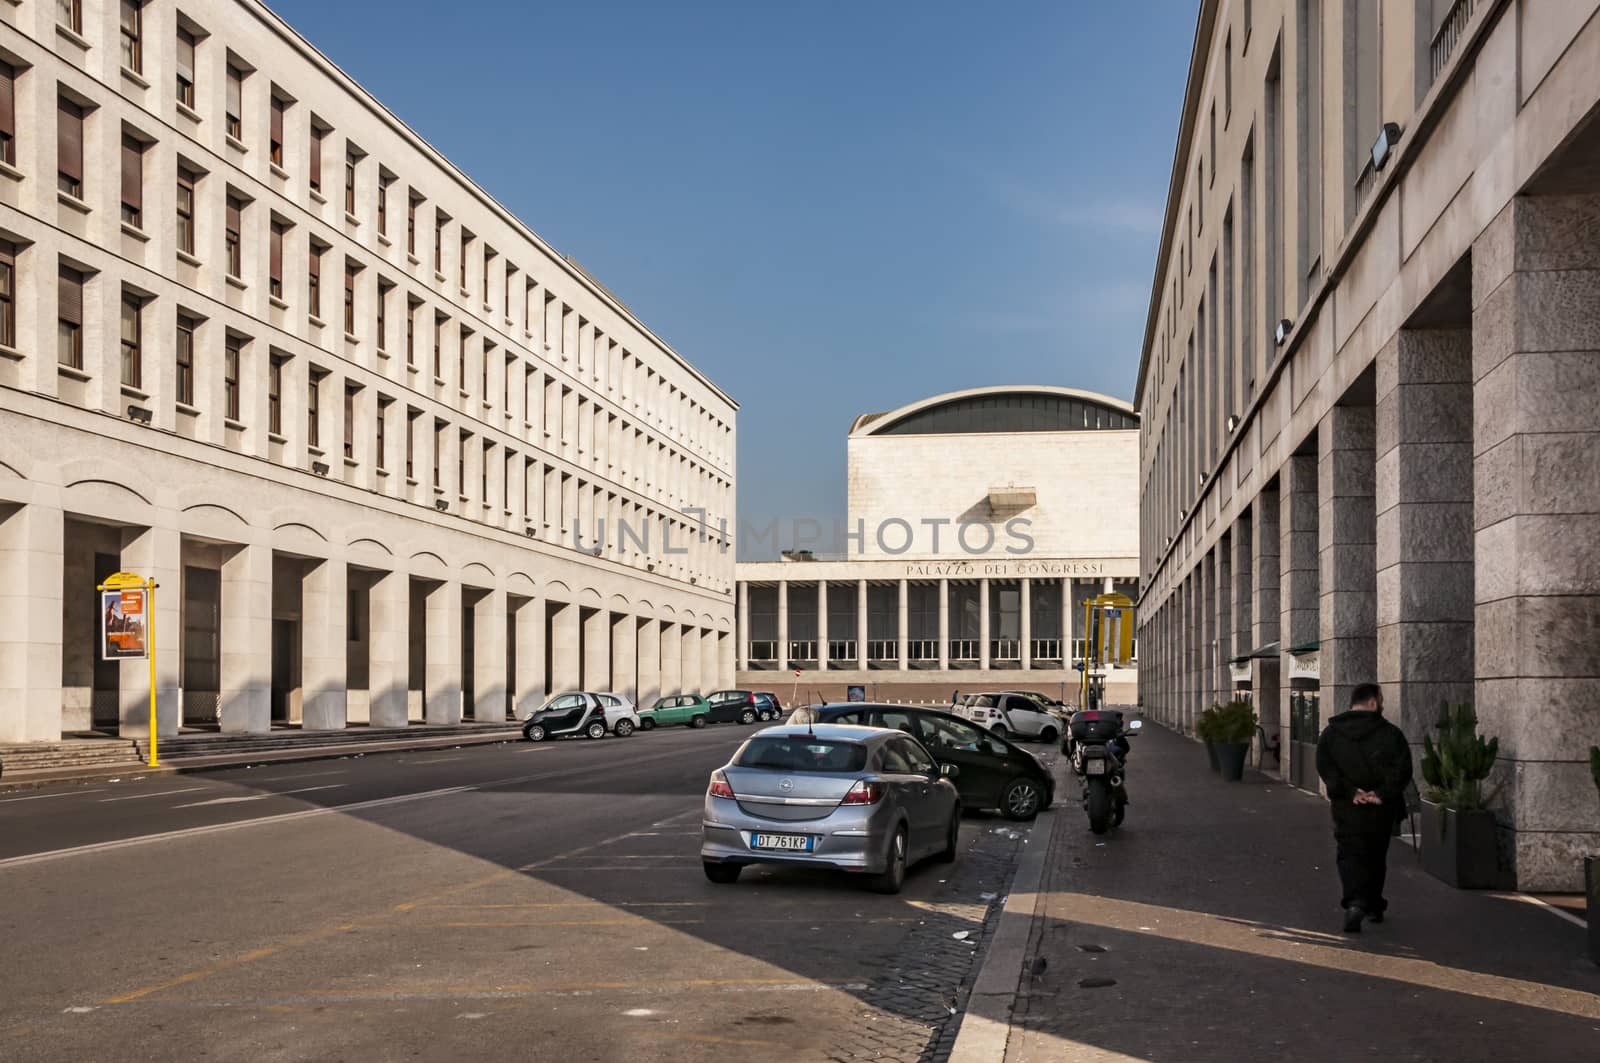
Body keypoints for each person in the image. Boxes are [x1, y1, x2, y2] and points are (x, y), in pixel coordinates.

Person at [1315, 683, 1413, 933]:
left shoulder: (1331, 734)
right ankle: (1374, 904)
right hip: (1381, 808)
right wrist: (1381, 793)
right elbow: (1402, 769)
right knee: (1376, 856)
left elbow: (1325, 767)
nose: (1382, 704)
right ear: (1372, 702)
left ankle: (1356, 902)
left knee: (1349, 854)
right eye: (1381, 699)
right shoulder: (1391, 734)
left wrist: (1350, 792)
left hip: (1347, 807)